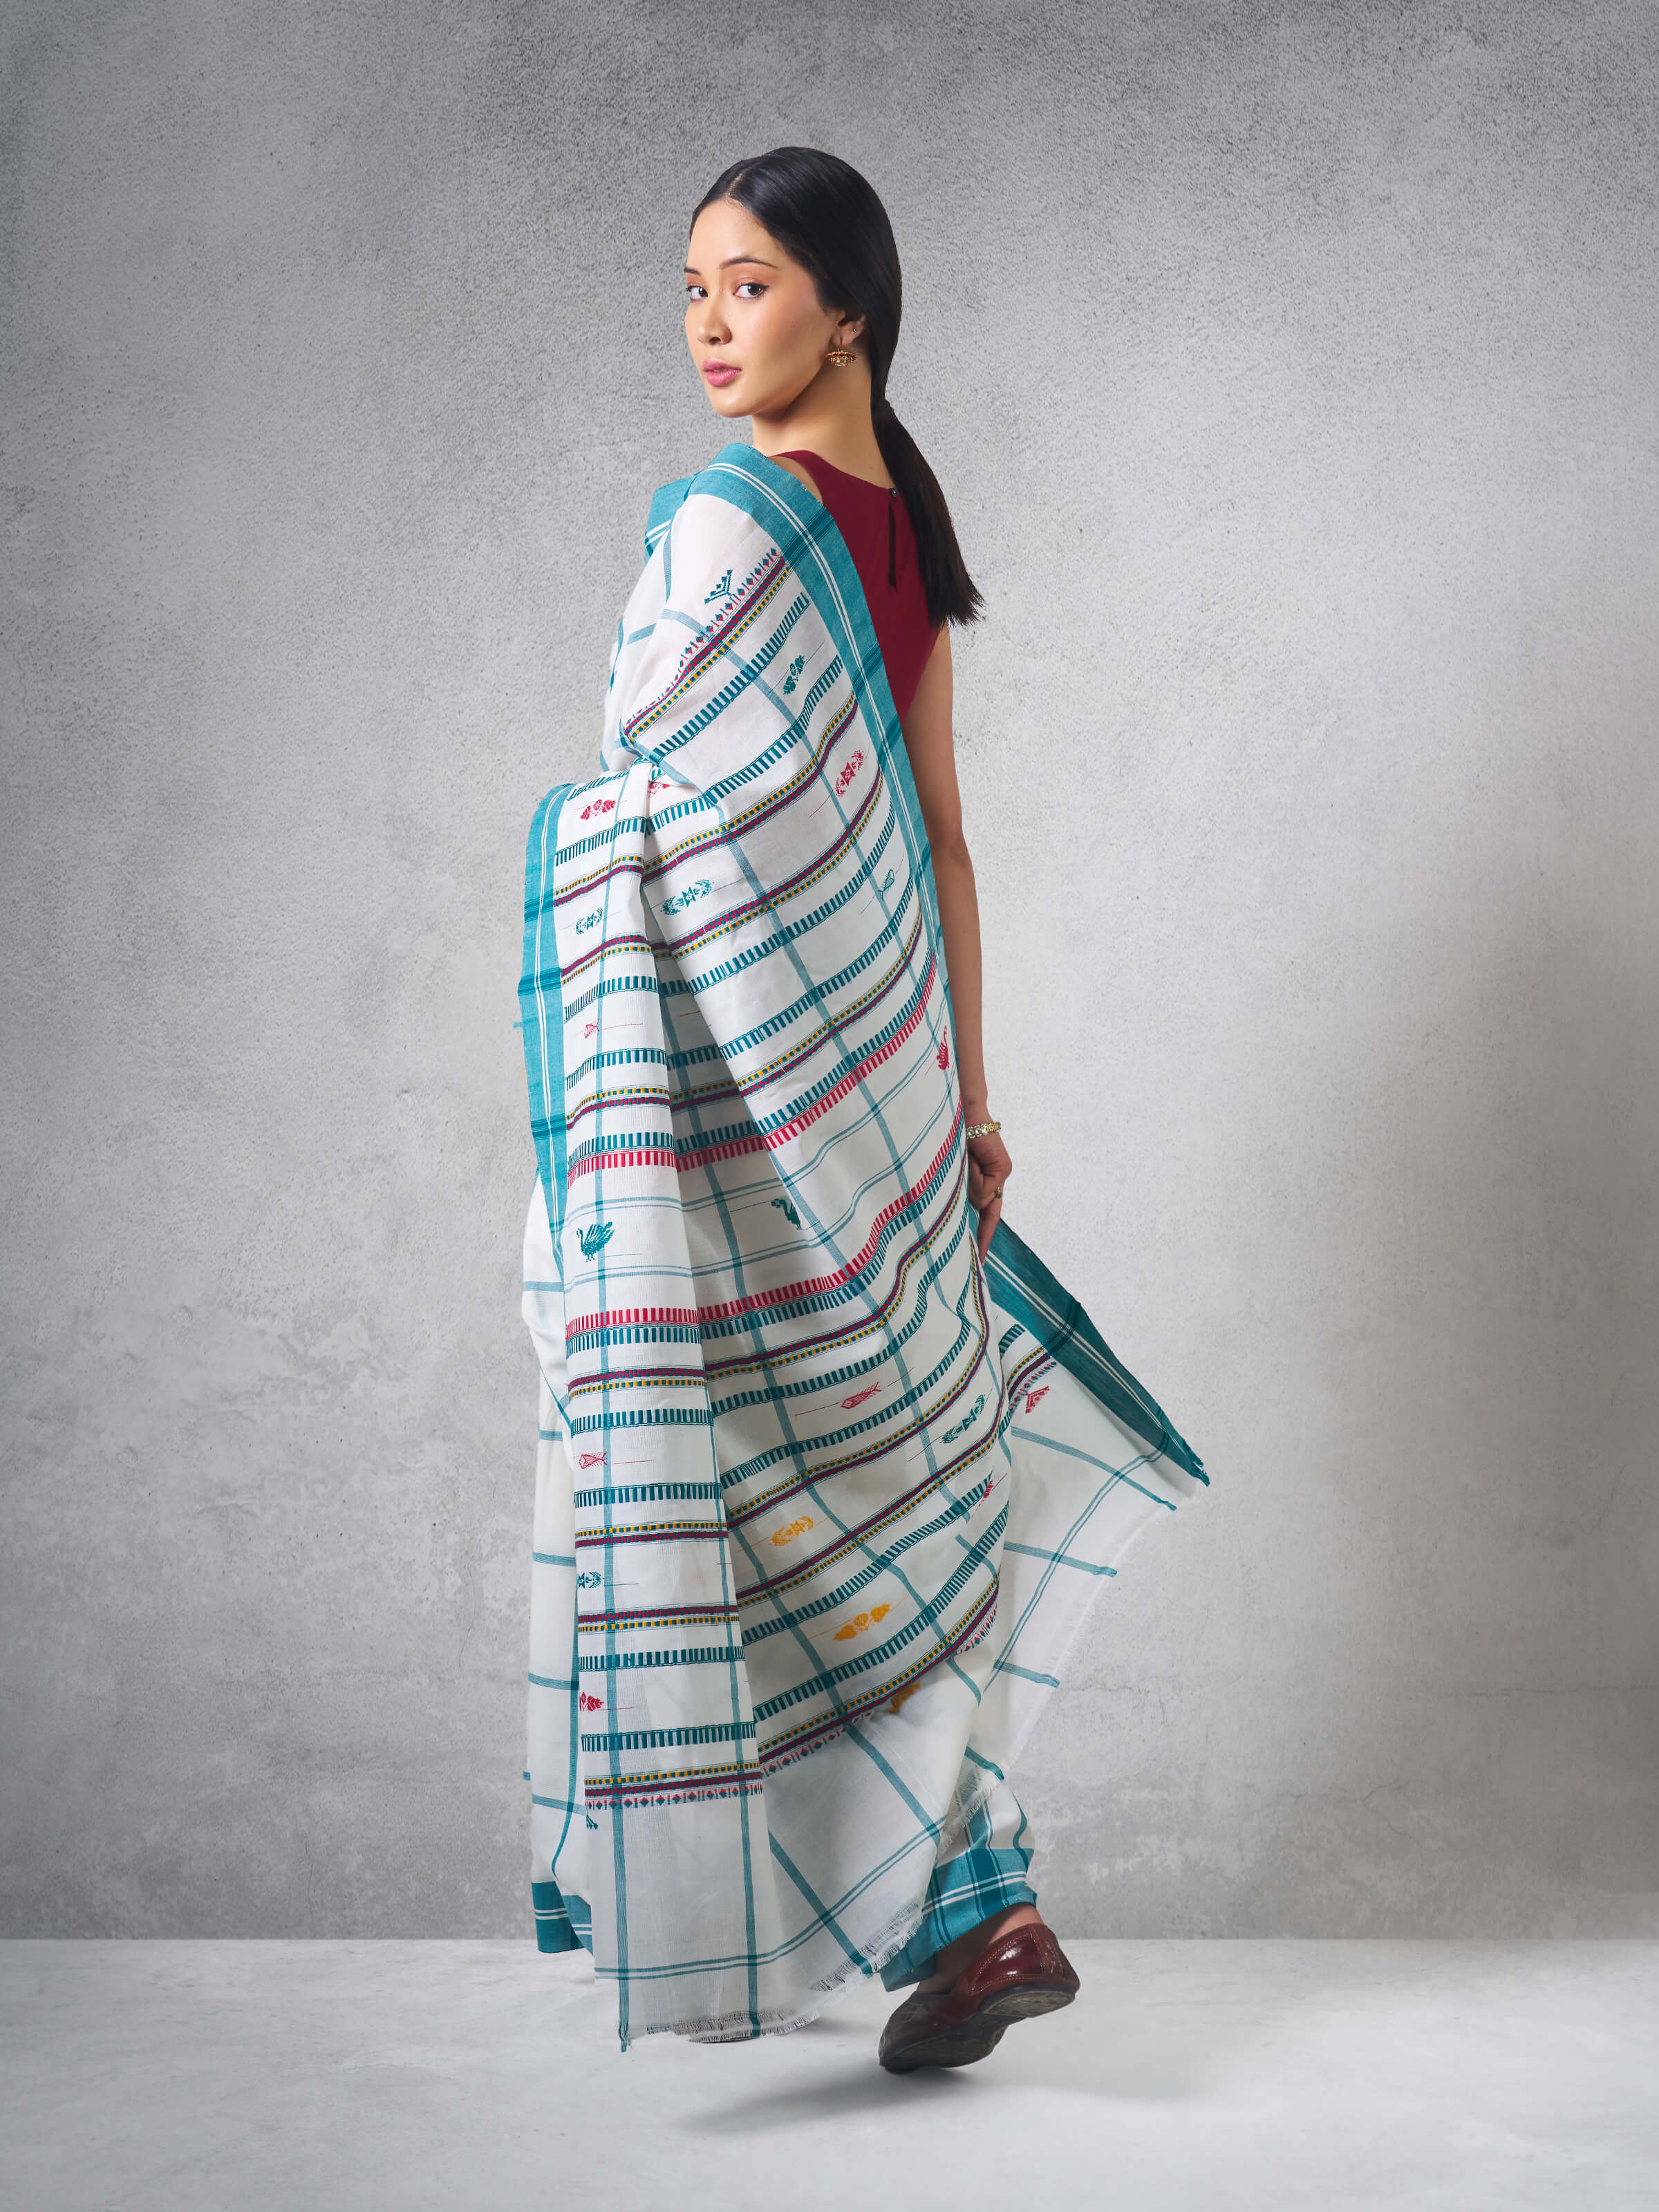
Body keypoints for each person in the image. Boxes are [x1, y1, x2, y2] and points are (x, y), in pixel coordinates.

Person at [518, 147, 1208, 2066]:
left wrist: (584, 840)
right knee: (887, 1484)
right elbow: (943, 851)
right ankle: (973, 1906)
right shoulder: (892, 531)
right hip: (883, 1089)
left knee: (757, 1472)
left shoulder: (742, 527)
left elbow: (659, 804)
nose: (709, 326)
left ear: (851, 307)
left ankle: (918, 1897)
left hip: (756, 1090)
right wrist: (972, 1103)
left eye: (747, 284)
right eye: (691, 289)